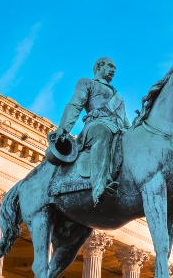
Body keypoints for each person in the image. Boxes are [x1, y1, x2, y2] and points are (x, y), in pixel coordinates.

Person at [54, 57, 131, 204]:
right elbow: (75, 105)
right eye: (110, 66)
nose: (113, 70)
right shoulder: (87, 83)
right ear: (99, 67)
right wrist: (64, 128)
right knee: (103, 133)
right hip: (97, 126)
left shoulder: (119, 97)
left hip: (118, 129)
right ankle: (99, 185)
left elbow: (126, 121)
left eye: (115, 67)